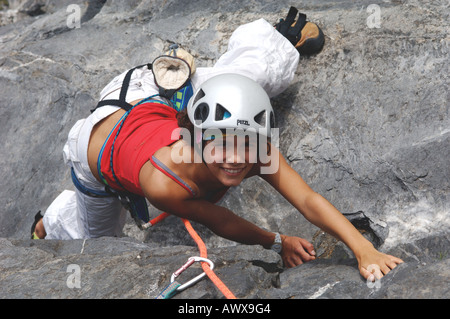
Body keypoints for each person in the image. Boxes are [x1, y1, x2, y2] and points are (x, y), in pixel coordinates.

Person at [32, 7, 403, 282]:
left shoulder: (247, 148)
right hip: (101, 136)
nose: (234, 160)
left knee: (245, 84)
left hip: (164, 101)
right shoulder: (163, 184)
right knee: (99, 247)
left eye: (246, 145)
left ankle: (278, 38)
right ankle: (53, 219)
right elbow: (221, 220)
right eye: (221, 146)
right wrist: (278, 241)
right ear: (194, 137)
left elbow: (307, 199)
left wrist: (363, 249)